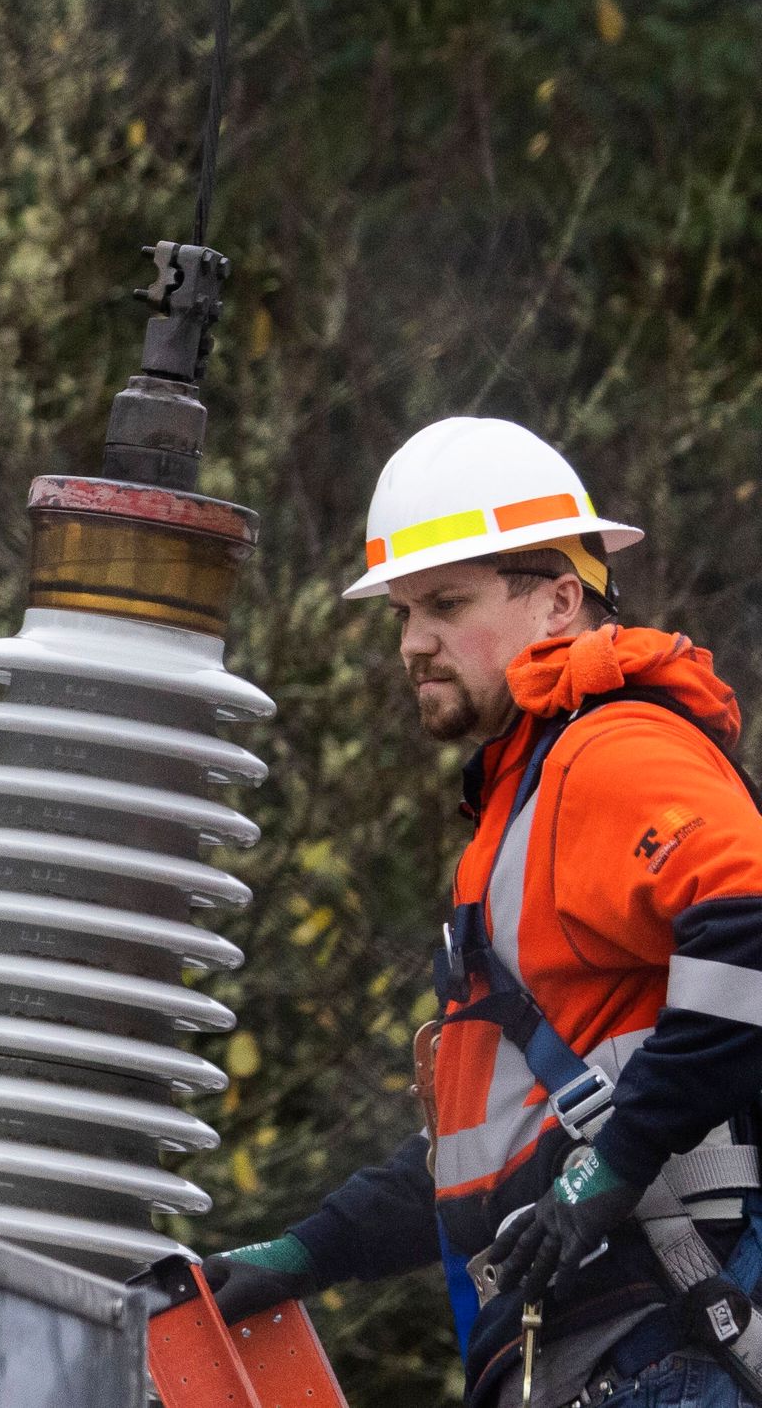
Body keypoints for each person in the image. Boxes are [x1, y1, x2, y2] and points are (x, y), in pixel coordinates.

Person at [196, 417, 762, 1408]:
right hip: (620, 1360)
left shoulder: (609, 751)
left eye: (445, 605)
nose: (413, 644)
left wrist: (614, 1169)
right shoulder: (523, 806)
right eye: (404, 613)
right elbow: (495, 1154)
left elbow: (754, 923)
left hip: (664, 1348)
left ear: (558, 600)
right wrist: (308, 1252)